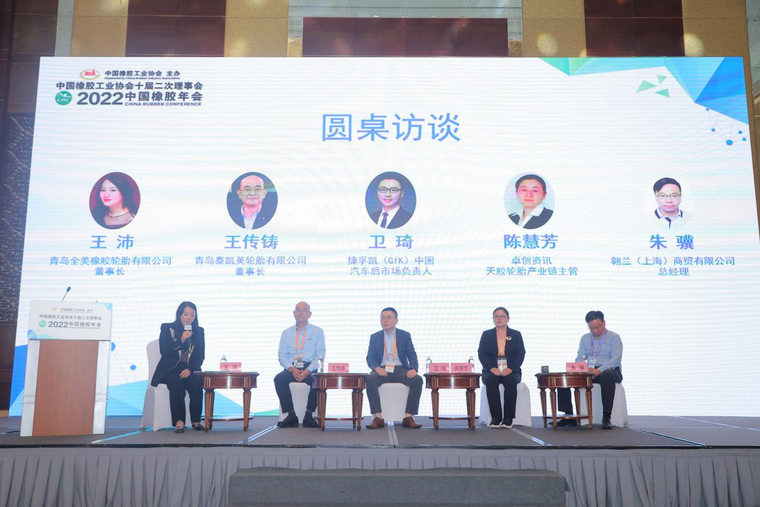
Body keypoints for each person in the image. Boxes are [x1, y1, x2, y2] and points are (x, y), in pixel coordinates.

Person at [557, 310, 623, 430]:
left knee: (607, 376)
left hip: (610, 370)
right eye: (591, 328)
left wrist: (599, 370)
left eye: (597, 327)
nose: (595, 330)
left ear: (604, 323)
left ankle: (606, 417)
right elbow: (580, 357)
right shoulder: (585, 338)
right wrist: (581, 368)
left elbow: (615, 359)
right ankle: (569, 416)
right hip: (589, 371)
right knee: (564, 377)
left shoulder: (614, 337)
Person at [150, 302, 205, 432]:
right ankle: (179, 421)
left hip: (188, 369)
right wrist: (181, 339)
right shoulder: (167, 328)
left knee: (196, 383)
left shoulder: (199, 331)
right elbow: (165, 351)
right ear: (179, 314)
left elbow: (200, 355)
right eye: (186, 314)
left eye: (192, 315)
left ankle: (196, 420)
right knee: (176, 384)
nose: (189, 318)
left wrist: (190, 369)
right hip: (170, 370)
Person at [365, 307, 423, 429]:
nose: (385, 320)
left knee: (417, 380)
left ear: (396, 321)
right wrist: (377, 368)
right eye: (382, 318)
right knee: (370, 380)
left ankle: (408, 417)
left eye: (389, 317)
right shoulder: (375, 337)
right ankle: (378, 417)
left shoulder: (404, 335)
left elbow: (412, 354)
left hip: (400, 369)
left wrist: (413, 369)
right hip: (382, 369)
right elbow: (370, 358)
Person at [274, 301, 326, 428]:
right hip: (292, 367)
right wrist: (291, 369)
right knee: (279, 379)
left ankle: (309, 415)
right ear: (294, 313)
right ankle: (291, 415)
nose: (301, 312)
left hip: (310, 367)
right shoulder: (286, 333)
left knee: (318, 381)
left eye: (304, 310)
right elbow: (282, 355)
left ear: (310, 314)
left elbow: (320, 355)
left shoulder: (318, 332)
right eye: (298, 309)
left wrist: (308, 371)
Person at [478, 307, 526, 428]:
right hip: (491, 370)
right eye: (496, 316)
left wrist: (511, 368)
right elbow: (482, 353)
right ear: (493, 319)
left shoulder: (516, 334)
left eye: (502, 316)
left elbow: (521, 354)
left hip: (511, 370)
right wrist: (491, 368)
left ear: (508, 319)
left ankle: (508, 418)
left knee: (510, 381)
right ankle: (496, 418)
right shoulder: (486, 334)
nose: (499, 319)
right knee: (491, 381)